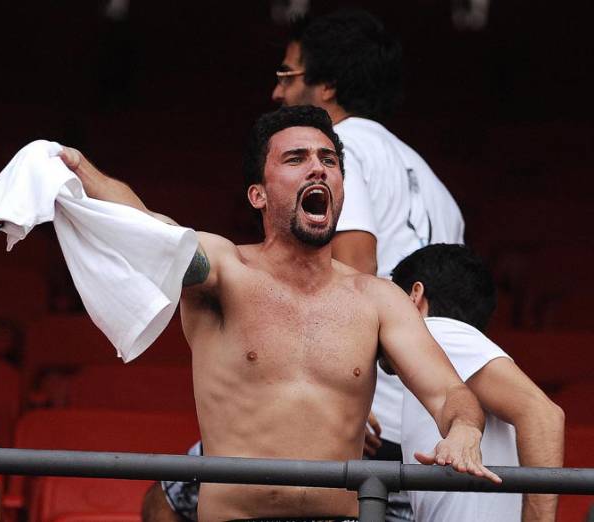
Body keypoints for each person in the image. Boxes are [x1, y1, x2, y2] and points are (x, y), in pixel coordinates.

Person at [61, 105, 498, 522]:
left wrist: (463, 431)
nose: (318, 168)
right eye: (296, 158)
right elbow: (146, 228)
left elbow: (449, 395)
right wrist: (78, 167)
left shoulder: (378, 299)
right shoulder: (225, 271)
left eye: (329, 159)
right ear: (258, 194)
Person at [270, 10, 466, 520]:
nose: (278, 93)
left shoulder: (339, 150)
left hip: (364, 420)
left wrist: (346, 403)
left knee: (173, 494)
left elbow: (355, 270)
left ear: (327, 86)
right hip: (419, 427)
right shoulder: (434, 184)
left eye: (288, 77)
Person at [393, 244, 564, 522]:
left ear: (415, 295)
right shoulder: (454, 345)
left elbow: (544, 414)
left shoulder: (438, 331)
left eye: (391, 301)